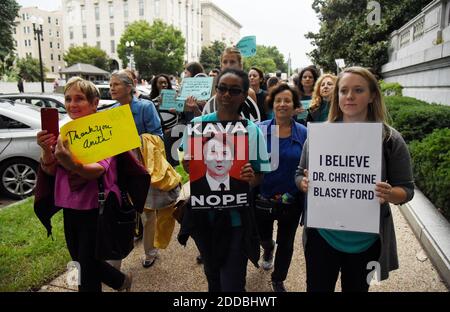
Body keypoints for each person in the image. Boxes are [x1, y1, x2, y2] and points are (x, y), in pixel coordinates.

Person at [296, 66, 415, 292]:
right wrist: (303, 183)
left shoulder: (389, 139)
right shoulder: (320, 136)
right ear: (336, 96)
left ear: (372, 96)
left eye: (358, 90)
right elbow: (298, 174)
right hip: (322, 237)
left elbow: (407, 190)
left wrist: (390, 193)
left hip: (366, 242)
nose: (349, 96)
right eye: (343, 91)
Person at [35, 77, 133, 292]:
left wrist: (72, 163)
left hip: (95, 208)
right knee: (78, 260)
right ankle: (119, 281)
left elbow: (98, 169)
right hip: (69, 207)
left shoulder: (104, 131)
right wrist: (45, 150)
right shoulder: (64, 131)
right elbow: (50, 170)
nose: (72, 104)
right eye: (68, 99)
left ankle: (117, 281)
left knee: (86, 268)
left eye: (79, 99)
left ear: (94, 103)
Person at [178, 68, 271, 292]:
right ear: (216, 90)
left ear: (243, 95)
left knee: (232, 282)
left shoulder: (251, 130)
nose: (227, 95)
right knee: (212, 276)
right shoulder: (197, 126)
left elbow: (260, 175)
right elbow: (188, 163)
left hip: (236, 220)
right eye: (222, 89)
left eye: (234, 90)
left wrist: (250, 178)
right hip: (203, 218)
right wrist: (188, 164)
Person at [110, 70, 164, 268]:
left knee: (147, 213)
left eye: (115, 84)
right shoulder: (111, 111)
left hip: (142, 167)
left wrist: (135, 143)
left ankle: (150, 251)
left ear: (129, 86)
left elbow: (158, 136)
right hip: (118, 170)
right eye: (110, 85)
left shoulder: (145, 107)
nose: (112, 89)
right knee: (123, 211)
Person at [255, 83, 307, 292]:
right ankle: (268, 249)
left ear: (295, 106)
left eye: (287, 101)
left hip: (291, 201)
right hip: (262, 198)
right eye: (278, 100)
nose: (283, 104)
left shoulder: (305, 134)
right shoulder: (258, 129)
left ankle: (278, 279)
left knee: (286, 243)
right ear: (272, 104)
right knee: (263, 237)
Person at [202, 47, 261, 122]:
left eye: (232, 62)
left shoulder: (250, 93)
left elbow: (254, 120)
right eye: (225, 62)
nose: (228, 65)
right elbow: (206, 121)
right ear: (221, 65)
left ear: (240, 65)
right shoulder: (212, 92)